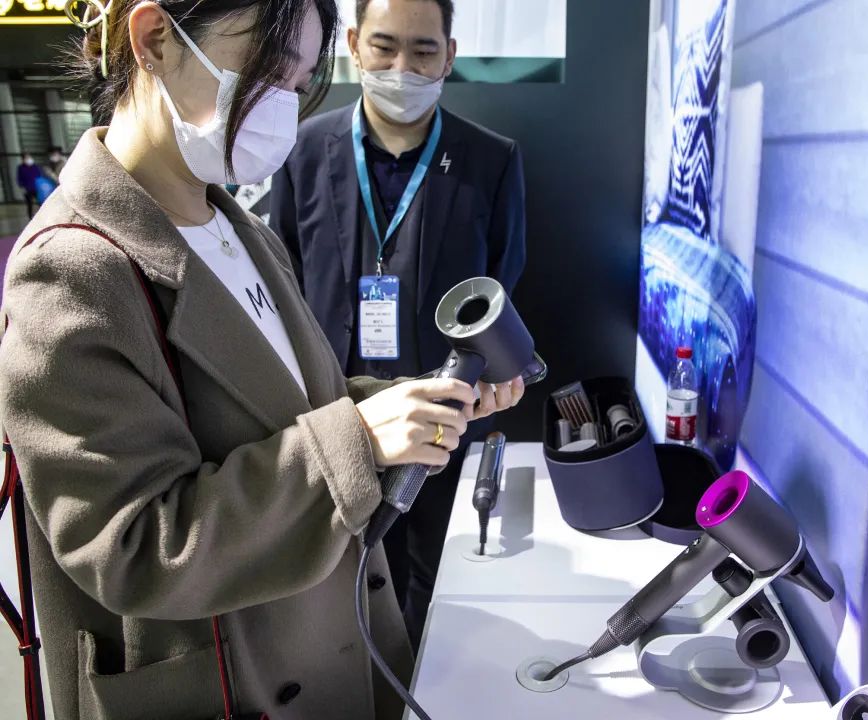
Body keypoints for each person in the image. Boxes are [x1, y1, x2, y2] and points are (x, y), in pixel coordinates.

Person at [0, 2, 522, 719]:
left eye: (299, 84)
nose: (283, 108)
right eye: (268, 73)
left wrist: (414, 403)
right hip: (231, 678)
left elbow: (287, 404)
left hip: (333, 642)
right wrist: (359, 441)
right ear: (154, 39)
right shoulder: (72, 271)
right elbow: (131, 548)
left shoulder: (237, 229)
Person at [270, 0, 527, 649]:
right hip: (338, 419)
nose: (402, 67)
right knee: (340, 589)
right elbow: (284, 280)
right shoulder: (301, 151)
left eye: (423, 50)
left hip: (448, 417)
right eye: (384, 47)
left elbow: (501, 283)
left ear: (449, 55)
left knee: (440, 581)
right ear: (355, 44)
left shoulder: (490, 160)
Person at [16, 152, 42, 219]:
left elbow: (39, 175)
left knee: (40, 202)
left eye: (29, 157)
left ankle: (42, 215)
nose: (28, 159)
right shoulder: (21, 168)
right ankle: (30, 217)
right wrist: (22, 187)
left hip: (36, 187)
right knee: (29, 204)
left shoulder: (34, 166)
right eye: (26, 158)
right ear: (23, 159)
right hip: (27, 188)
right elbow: (19, 178)